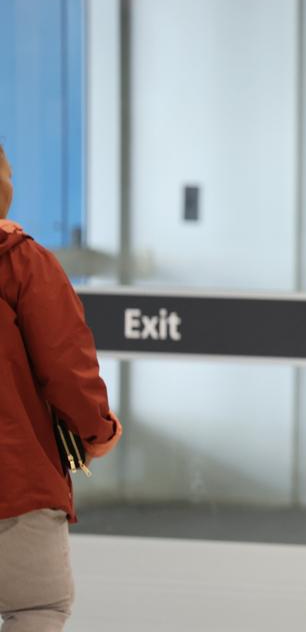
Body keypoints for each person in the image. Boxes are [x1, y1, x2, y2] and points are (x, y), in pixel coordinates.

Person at [0, 144, 122, 632]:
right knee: (36, 610)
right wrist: (97, 433)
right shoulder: (19, 262)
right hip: (14, 482)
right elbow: (67, 366)